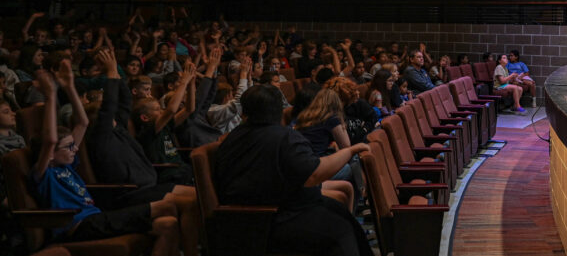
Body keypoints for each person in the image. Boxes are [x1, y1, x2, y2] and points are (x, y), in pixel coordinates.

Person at [32, 64, 180, 255]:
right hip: (77, 225)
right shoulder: (44, 172)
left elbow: (83, 122)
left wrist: (69, 86)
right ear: (50, 153)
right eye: (68, 146)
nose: (75, 148)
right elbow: (50, 139)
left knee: (168, 224)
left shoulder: (68, 164)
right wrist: (50, 95)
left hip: (98, 217)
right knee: (167, 206)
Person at [214, 85, 372, 256]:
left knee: (342, 214)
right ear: (278, 111)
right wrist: (349, 151)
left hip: (256, 213)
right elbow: (314, 175)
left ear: (244, 113)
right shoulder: (284, 138)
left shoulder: (231, 138)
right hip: (271, 218)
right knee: (341, 231)